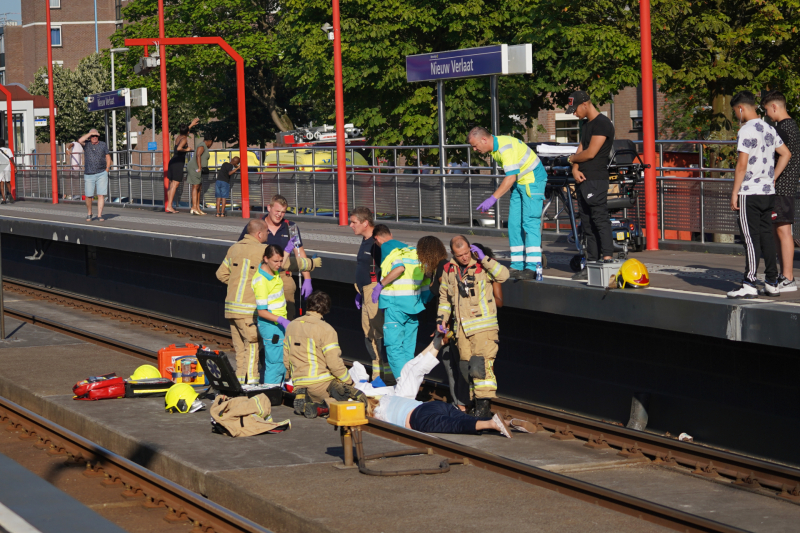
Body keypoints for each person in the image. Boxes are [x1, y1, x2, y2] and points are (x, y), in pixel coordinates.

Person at [217, 219, 320, 384]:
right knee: (252, 348)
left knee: (240, 350)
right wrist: (311, 264)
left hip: (231, 308)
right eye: (266, 232)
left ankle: (239, 382)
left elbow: (221, 274)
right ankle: (251, 384)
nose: (268, 235)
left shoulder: (233, 248)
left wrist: (238, 285)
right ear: (259, 234)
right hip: (248, 310)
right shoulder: (262, 250)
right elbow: (284, 264)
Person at [364, 334, 512, 438]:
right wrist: (436, 342)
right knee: (464, 419)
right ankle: (508, 423)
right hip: (430, 406)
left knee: (456, 425)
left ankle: (492, 424)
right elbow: (412, 369)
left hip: (419, 418)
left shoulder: (376, 415)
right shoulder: (389, 397)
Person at [727, 91, 791, 299]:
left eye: (736, 112)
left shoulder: (746, 130)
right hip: (767, 192)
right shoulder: (769, 128)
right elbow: (786, 154)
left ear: (740, 109)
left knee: (749, 237)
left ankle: (749, 282)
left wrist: (735, 192)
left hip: (750, 192)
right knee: (766, 236)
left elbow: (741, 165)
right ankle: (772, 281)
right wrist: (772, 177)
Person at [437, 235, 509, 418]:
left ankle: (483, 410)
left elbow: (503, 275)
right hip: (462, 330)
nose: (465, 257)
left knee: (480, 368)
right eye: (460, 255)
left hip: (483, 328)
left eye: (467, 253)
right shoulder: (449, 270)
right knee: (465, 368)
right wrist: (441, 320)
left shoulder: (482, 265)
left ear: (471, 249)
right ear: (453, 253)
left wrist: (484, 258)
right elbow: (445, 299)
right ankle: (476, 405)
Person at [469, 126, 548, 280]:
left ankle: (532, 267)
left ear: (484, 139)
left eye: (475, 145)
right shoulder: (495, 149)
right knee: (513, 224)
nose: (474, 149)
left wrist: (492, 198)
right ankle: (517, 265)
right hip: (520, 183)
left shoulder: (505, 148)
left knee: (530, 222)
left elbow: (510, 177)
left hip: (532, 181)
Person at [284, 290, 360, 418]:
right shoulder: (326, 329)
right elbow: (334, 363)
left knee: (312, 392)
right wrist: (349, 382)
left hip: (298, 381)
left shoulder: (291, 326)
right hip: (320, 383)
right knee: (350, 398)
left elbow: (286, 358)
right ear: (326, 309)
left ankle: (303, 394)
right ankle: (322, 407)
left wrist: (289, 376)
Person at [565, 90, 616, 280]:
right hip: (583, 178)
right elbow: (581, 148)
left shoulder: (603, 124)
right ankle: (591, 262)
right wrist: (574, 168)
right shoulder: (585, 124)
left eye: (575, 109)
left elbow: (591, 153)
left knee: (599, 218)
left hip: (596, 179)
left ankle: (607, 259)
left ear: (585, 104)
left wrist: (570, 159)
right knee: (586, 222)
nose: (574, 113)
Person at [371, 225, 433, 377]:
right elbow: (427, 275)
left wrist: (380, 285)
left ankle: (404, 385)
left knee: (394, 347)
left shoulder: (386, 247)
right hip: (414, 306)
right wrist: (423, 298)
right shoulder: (411, 251)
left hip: (395, 305)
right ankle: (411, 384)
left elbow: (399, 268)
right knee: (408, 349)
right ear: (391, 233)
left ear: (377, 239)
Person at [240, 195, 314, 319]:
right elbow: (243, 248)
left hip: (284, 275)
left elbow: (299, 253)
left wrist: (307, 279)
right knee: (260, 311)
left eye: (283, 212)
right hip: (261, 275)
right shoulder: (256, 225)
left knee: (287, 312)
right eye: (277, 211)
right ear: (269, 208)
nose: (279, 215)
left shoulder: (291, 227)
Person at [349, 207, 392, 383]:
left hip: (374, 291)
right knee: (369, 334)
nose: (350, 225)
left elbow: (392, 265)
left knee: (379, 333)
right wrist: (359, 290)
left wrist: (380, 287)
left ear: (365, 223)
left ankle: (387, 377)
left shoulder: (377, 241)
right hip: (365, 291)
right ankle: (376, 375)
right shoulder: (365, 240)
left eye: (354, 222)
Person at [762, 90, 799, 293]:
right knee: (779, 229)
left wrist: (772, 177)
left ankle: (788, 277)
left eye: (767, 109)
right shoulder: (791, 126)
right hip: (785, 185)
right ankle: (784, 275)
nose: (767, 114)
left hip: (782, 186)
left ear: (775, 107)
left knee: (783, 231)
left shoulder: (783, 128)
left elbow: (784, 155)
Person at [252, 244, 294, 385]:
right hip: (271, 326)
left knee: (281, 361)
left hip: (278, 324)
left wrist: (287, 249)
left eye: (281, 261)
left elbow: (278, 262)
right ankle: (270, 393)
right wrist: (281, 320)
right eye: (276, 261)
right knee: (275, 363)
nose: (279, 265)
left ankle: (276, 390)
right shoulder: (262, 281)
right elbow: (262, 311)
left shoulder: (272, 270)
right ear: (266, 259)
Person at [77, 128, 112, 222]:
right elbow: (80, 140)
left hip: (101, 173)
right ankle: (89, 213)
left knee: (101, 195)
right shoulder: (86, 144)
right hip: (89, 173)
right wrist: (90, 133)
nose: (94, 137)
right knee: (88, 195)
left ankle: (99, 215)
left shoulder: (103, 144)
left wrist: (107, 169)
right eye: (92, 136)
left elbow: (108, 156)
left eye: (96, 135)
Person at [166, 118, 199, 213]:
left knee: (172, 184)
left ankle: (169, 205)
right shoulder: (184, 139)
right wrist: (187, 150)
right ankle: (169, 206)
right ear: (188, 132)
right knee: (175, 185)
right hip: (178, 163)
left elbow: (185, 130)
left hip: (173, 161)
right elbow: (179, 148)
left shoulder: (179, 137)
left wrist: (191, 124)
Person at [187, 136, 213, 216]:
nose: (211, 144)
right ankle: (194, 207)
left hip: (199, 169)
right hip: (195, 168)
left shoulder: (204, 146)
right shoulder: (202, 145)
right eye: (211, 143)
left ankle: (198, 207)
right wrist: (199, 167)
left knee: (199, 187)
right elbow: (198, 155)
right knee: (195, 186)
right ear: (209, 141)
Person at [0, 139, 14, 204]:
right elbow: (11, 158)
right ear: (4, 144)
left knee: (1, 183)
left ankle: (4, 199)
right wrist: (15, 166)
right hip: (7, 166)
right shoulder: (8, 150)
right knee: (8, 181)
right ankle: (9, 193)